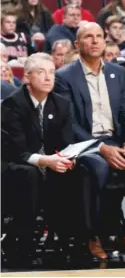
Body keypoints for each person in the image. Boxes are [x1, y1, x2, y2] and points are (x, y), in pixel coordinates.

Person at [54, 23, 125, 260]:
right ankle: (92, 235)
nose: (95, 41)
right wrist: (101, 148)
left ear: (105, 42)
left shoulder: (116, 73)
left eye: (99, 36)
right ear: (77, 44)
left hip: (117, 140)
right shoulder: (64, 77)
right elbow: (69, 123)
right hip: (83, 144)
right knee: (99, 168)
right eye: (88, 37)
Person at [1, 54, 75, 267]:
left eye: (51, 72)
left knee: (79, 171)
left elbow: (66, 142)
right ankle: (21, 242)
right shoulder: (11, 105)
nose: (48, 77)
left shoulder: (61, 104)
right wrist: (46, 161)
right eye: (41, 72)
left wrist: (67, 159)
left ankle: (77, 240)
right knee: (30, 174)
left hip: (50, 162)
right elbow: (16, 151)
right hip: (13, 164)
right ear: (26, 77)